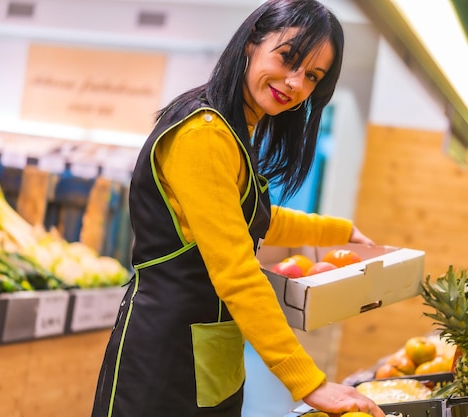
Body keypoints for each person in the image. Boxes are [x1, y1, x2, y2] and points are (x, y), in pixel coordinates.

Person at [91, 1, 385, 416]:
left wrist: (337, 231)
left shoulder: (235, 130)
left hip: (207, 351)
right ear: (252, 42)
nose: (296, 83)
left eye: (312, 76)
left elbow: (250, 220)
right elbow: (236, 270)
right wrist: (309, 382)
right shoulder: (203, 135)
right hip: (164, 358)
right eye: (288, 58)